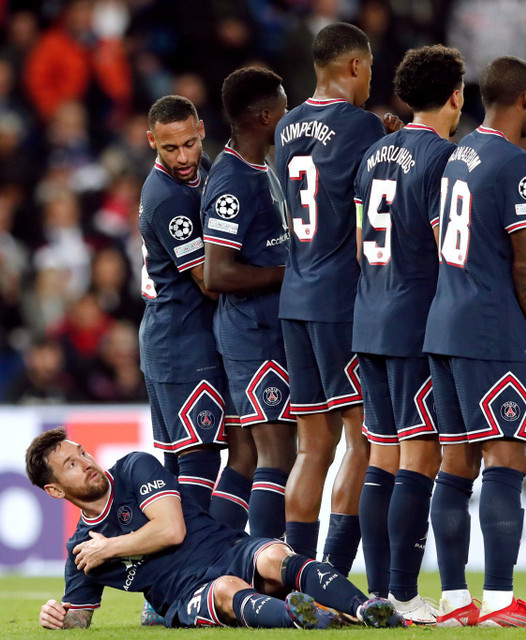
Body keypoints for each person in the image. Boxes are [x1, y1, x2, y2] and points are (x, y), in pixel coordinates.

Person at [423, 56, 526, 628]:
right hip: (491, 328)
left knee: (455, 464)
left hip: (444, 325)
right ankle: (503, 603)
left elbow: (441, 234)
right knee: (506, 457)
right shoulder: (517, 163)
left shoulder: (457, 155)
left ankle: (457, 602)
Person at [26, 427, 404, 629]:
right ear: (55, 490)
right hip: (187, 593)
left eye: (82, 453)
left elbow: (171, 529)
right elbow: (80, 616)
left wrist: (109, 547)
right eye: (71, 465)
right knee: (225, 589)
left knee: (274, 554)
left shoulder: (133, 468)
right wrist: (60, 619)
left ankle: (367, 607)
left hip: (226, 548)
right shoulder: (81, 551)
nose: (87, 463)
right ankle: (305, 617)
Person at [274, 20, 401, 573]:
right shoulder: (361, 126)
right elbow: (367, 225)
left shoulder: (285, 127)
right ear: (353, 66)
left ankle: (296, 573)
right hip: (339, 302)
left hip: (294, 297)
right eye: (370, 68)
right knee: (363, 440)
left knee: (310, 447)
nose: (371, 78)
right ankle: (330, 575)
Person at [352, 45, 465, 624]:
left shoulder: (373, 154)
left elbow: (357, 242)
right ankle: (400, 593)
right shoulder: (447, 159)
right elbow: (453, 250)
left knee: (381, 457)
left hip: (367, 319)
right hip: (415, 324)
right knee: (419, 457)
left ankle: (378, 593)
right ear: (456, 95)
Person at [138, 95, 251, 527]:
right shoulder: (166, 196)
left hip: (177, 338)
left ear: (201, 129)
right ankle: (197, 571)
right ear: (152, 141)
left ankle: (166, 589)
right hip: (180, 342)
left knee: (179, 467)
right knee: (199, 461)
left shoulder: (202, 171)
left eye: (188, 143)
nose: (183, 157)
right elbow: (208, 281)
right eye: (170, 148)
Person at [202, 67, 295, 540]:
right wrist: (287, 274)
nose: (290, 114)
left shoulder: (265, 168)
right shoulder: (233, 180)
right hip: (252, 335)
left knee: (254, 455)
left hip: (268, 330)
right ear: (264, 117)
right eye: (283, 107)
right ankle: (269, 571)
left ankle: (215, 563)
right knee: (275, 453)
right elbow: (216, 273)